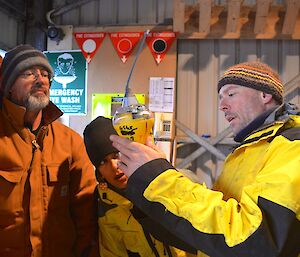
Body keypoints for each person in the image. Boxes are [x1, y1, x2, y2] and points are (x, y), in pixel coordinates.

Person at [110, 61, 300, 257]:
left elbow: (258, 241)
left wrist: (158, 178)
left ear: (264, 94)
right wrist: (146, 198)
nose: (222, 106)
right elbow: (212, 236)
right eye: (220, 98)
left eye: (231, 94)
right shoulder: (245, 153)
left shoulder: (292, 145)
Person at [0, 44, 99, 257]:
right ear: (8, 86)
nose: (40, 79)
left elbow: (85, 213)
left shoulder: (70, 141)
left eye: (45, 74)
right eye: (28, 73)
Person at [84, 116, 196, 257]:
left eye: (116, 155)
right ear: (99, 173)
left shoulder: (169, 183)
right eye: (102, 162)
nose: (114, 166)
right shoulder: (107, 208)